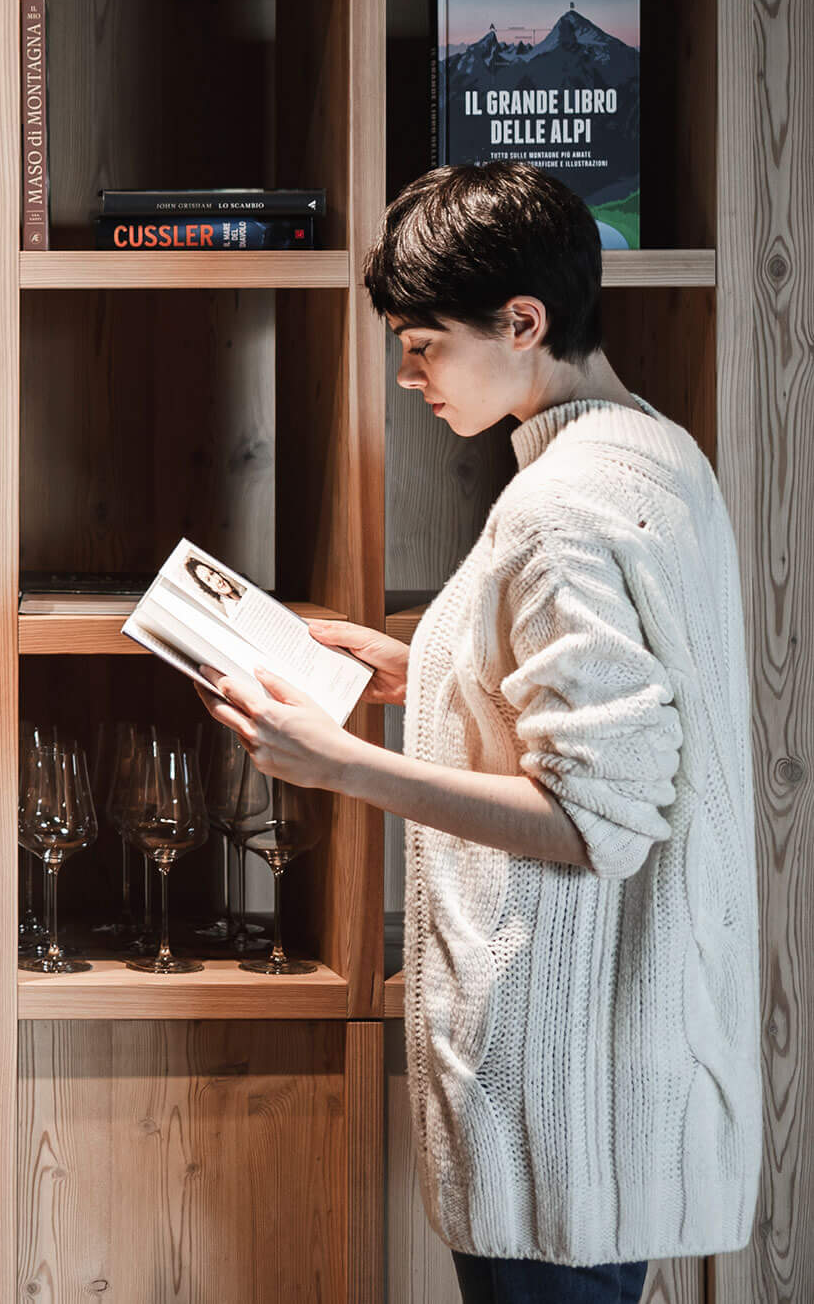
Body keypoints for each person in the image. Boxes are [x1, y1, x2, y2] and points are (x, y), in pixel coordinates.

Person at [198, 162, 758, 1304]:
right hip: (614, 1076)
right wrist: (426, 671)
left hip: (553, 1095)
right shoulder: (655, 453)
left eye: (422, 345)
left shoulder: (556, 509)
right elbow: (624, 718)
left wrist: (342, 764)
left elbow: (593, 819)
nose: (407, 377)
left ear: (523, 321)